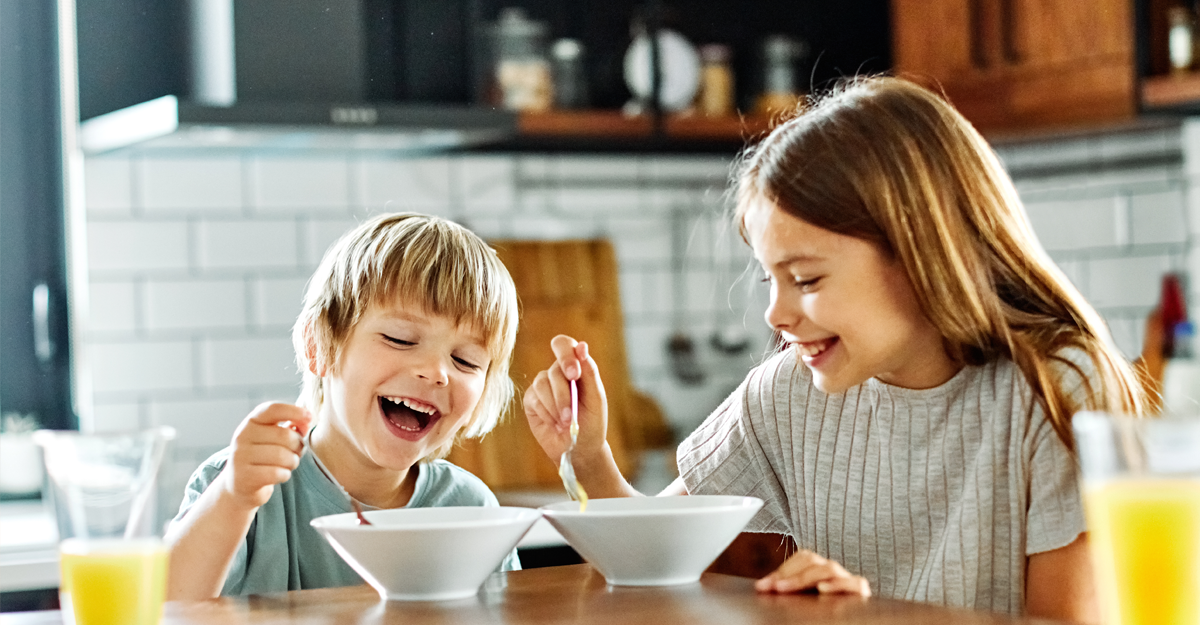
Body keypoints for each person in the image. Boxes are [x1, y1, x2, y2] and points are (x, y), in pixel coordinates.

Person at [522, 76, 1146, 621]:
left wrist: (869, 618)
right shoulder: (788, 393)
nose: (776, 312)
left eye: (808, 279)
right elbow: (651, 558)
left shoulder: (1058, 386)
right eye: (771, 278)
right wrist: (591, 456)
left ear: (920, 253)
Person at [166, 213, 520, 599]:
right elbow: (162, 609)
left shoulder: (471, 509)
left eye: (465, 361)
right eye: (401, 339)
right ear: (318, 346)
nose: (436, 373)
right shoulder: (240, 485)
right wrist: (234, 498)